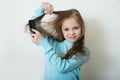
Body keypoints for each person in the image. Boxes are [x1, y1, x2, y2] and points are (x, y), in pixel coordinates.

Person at [26, 2, 89, 80]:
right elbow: (33, 27)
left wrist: (44, 43)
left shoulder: (83, 52)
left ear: (82, 28)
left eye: (75, 28)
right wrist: (42, 7)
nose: (72, 32)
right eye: (66, 29)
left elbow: (61, 67)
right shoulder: (53, 43)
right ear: (61, 31)